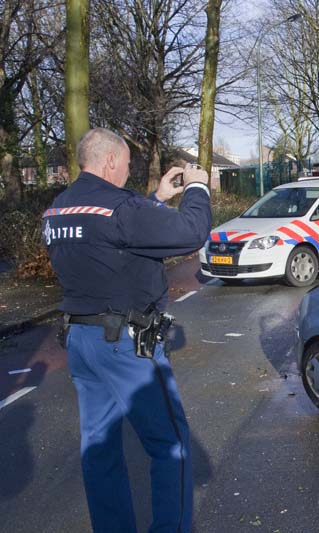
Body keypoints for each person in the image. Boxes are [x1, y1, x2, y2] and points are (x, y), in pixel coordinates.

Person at [43, 128, 211, 532]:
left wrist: (155, 200)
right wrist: (198, 188)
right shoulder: (119, 209)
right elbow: (191, 232)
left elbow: (112, 245)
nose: (127, 172)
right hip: (125, 346)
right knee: (169, 444)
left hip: (82, 343)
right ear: (111, 161)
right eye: (127, 165)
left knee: (100, 449)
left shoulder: (57, 210)